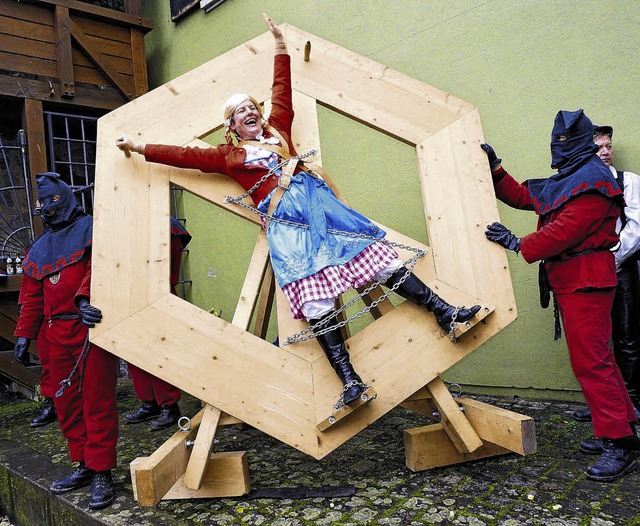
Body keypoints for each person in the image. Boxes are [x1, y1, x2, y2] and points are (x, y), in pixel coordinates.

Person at [116, 13, 480, 410]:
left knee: (381, 265)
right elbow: (184, 155)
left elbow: (282, 89)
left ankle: (446, 313)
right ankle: (350, 382)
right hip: (289, 229)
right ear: (232, 127)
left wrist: (278, 46)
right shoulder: (229, 156)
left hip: (325, 212)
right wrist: (138, 146)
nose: (249, 112)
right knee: (317, 302)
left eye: (251, 106)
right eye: (240, 112)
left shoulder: (279, 131)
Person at [481, 109, 640, 482]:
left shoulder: (595, 181)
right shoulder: (573, 177)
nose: (557, 148)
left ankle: (618, 443)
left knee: (593, 363)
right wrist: (496, 170)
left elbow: (566, 230)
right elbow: (526, 197)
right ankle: (624, 427)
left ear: (580, 144)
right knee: (598, 360)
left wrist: (519, 242)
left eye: (564, 142)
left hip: (586, 279)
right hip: (573, 280)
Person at [13, 172, 118, 509]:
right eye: (43, 204)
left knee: (97, 402)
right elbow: (31, 296)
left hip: (90, 331)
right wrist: (23, 334)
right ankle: (84, 464)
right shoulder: (39, 249)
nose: (48, 208)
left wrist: (85, 299)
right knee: (66, 404)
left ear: (67, 198)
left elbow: (99, 269)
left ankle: (103, 471)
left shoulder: (92, 228)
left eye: (53, 201)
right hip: (56, 336)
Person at [124, 216, 191, 430]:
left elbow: (163, 270)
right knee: (134, 352)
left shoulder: (166, 226)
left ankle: (170, 407)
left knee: (158, 353)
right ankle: (149, 402)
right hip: (132, 294)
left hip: (156, 295)